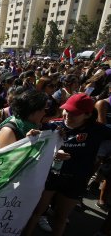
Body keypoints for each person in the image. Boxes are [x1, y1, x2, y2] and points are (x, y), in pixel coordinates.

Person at [23, 93, 111, 236]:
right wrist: (31, 136)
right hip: (50, 177)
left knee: (60, 218)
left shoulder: (98, 130)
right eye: (66, 110)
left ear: (87, 115)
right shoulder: (52, 125)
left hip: (75, 181)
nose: (68, 115)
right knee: (37, 212)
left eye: (74, 113)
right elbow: (34, 147)